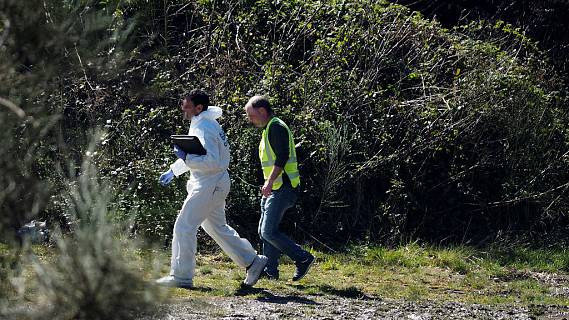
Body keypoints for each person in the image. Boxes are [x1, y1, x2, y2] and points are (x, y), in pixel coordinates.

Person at [156, 89, 267, 288]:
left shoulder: (205, 126)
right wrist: (174, 170)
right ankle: (252, 261)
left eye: (187, 106)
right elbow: (200, 153)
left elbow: (212, 161)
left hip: (210, 184)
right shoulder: (203, 122)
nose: (183, 109)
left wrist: (186, 158)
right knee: (215, 227)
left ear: (199, 108)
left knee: (184, 225)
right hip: (213, 182)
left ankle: (181, 277)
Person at [244, 95, 315, 281]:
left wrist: (269, 182)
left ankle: (303, 258)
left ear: (261, 111)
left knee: (267, 231)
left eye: (251, 115)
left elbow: (281, 157)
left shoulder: (275, 127)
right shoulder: (269, 128)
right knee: (265, 231)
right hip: (276, 186)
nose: (250, 120)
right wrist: (269, 182)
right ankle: (270, 272)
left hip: (284, 187)